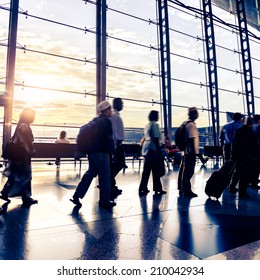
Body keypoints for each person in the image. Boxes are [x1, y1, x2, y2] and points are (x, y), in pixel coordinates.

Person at [70, 100, 116, 209]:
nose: (111, 111)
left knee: (91, 173)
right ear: (105, 110)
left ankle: (77, 195)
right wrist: (112, 152)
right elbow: (108, 140)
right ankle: (104, 201)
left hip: (92, 153)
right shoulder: (106, 122)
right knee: (105, 176)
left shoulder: (95, 121)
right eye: (110, 109)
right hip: (101, 152)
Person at [0, 108, 38, 206]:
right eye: (33, 115)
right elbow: (26, 142)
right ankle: (26, 197)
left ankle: (5, 192)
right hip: (22, 156)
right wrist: (32, 152)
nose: (34, 117)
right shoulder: (24, 126)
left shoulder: (21, 125)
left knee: (14, 176)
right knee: (25, 177)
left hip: (16, 156)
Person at [138, 110, 167, 196]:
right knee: (156, 170)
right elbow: (155, 138)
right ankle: (157, 188)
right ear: (155, 116)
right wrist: (159, 152)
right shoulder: (155, 125)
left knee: (146, 171)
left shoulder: (147, 125)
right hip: (153, 150)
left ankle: (143, 187)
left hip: (147, 150)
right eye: (157, 115)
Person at [231, 117, 258, 198]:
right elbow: (255, 146)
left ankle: (232, 186)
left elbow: (234, 144)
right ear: (251, 123)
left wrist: (233, 155)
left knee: (237, 171)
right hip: (248, 157)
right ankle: (242, 192)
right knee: (246, 174)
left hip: (238, 156)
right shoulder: (252, 132)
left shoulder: (238, 130)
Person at [177, 107, 199, 197]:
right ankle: (187, 190)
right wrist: (194, 153)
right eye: (196, 113)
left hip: (185, 151)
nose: (197, 114)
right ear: (193, 114)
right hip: (189, 152)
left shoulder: (185, 123)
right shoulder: (191, 125)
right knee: (188, 172)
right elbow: (191, 140)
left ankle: (181, 188)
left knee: (183, 170)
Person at [110, 98, 126, 199]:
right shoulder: (117, 117)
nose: (122, 105)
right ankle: (110, 182)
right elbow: (118, 135)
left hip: (110, 145)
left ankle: (111, 184)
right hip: (116, 145)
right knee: (119, 164)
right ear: (117, 104)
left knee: (114, 165)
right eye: (121, 103)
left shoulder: (110, 115)